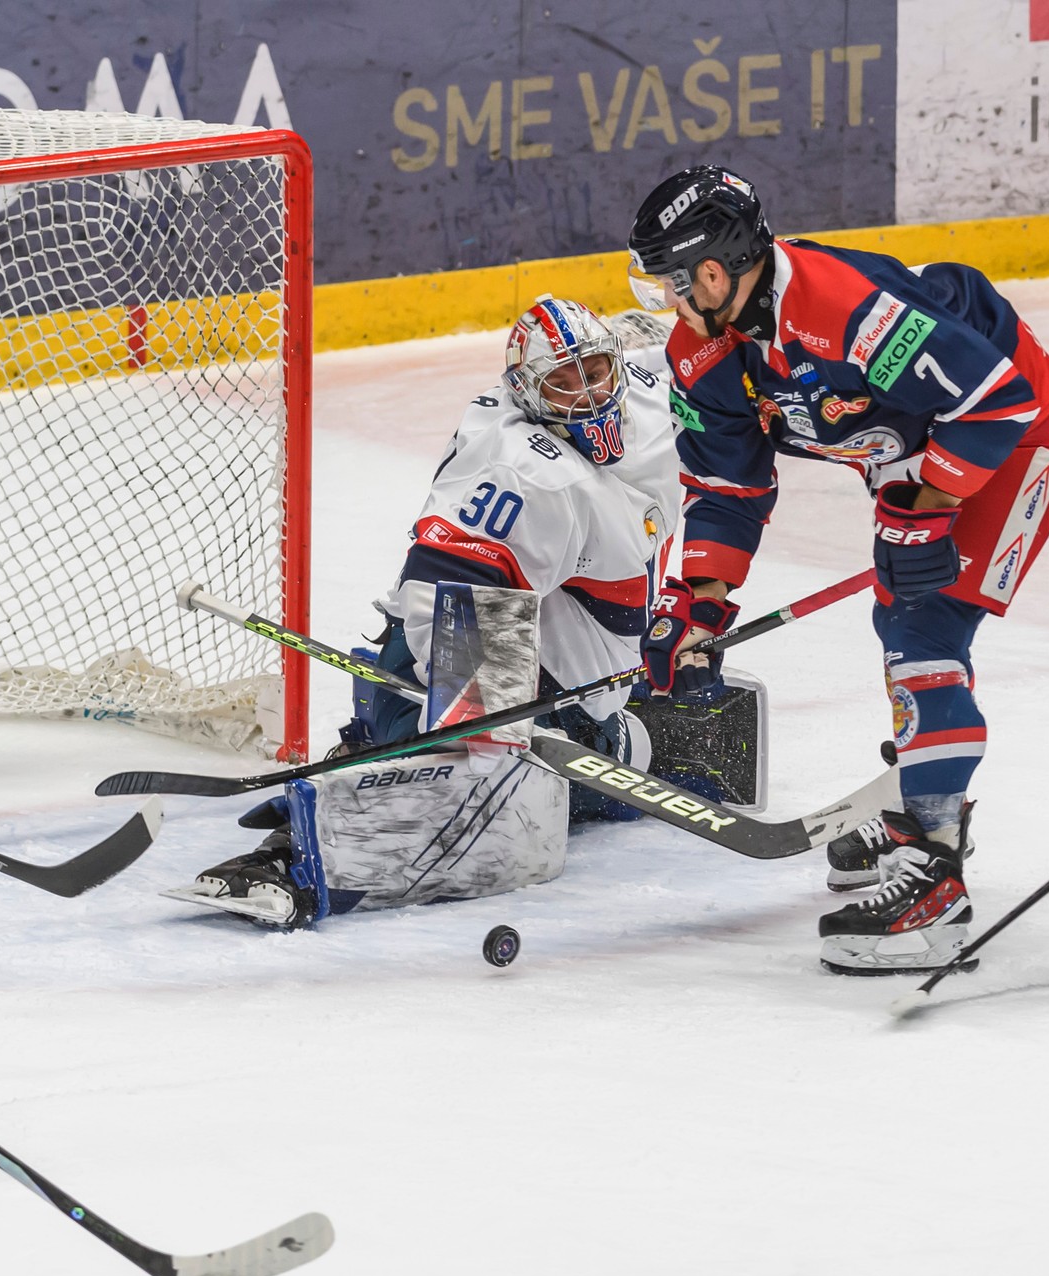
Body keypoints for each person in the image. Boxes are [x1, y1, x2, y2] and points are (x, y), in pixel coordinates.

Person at [625, 164, 1049, 975]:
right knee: (904, 609)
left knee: (922, 621)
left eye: (671, 280)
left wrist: (924, 508)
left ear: (711, 271)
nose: (667, 299)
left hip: (1022, 438)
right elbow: (729, 488)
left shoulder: (844, 310)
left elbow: (994, 401)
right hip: (919, 455)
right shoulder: (704, 352)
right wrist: (698, 604)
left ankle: (935, 880)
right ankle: (925, 800)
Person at [170, 297, 753, 927]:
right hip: (456, 653)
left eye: (597, 372)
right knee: (486, 791)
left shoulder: (650, 388)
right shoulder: (525, 469)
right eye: (563, 383)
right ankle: (292, 851)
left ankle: (596, 735)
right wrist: (486, 721)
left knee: (586, 758)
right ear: (527, 392)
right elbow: (448, 584)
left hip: (565, 664)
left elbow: (731, 382)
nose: (587, 395)